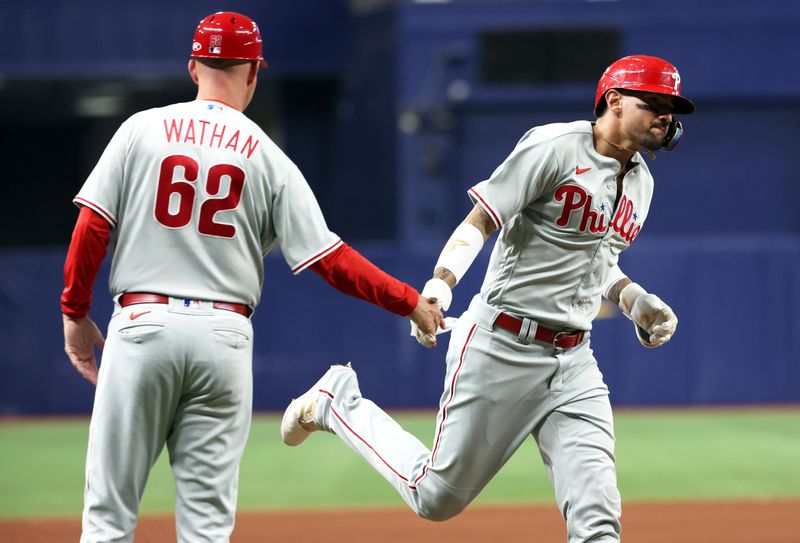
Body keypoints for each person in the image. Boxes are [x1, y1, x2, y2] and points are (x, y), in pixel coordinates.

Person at [61, 11, 443, 543]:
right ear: (254, 73)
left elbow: (92, 226)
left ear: (194, 67)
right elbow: (331, 260)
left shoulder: (140, 130)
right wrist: (409, 301)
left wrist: (75, 313)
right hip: (223, 337)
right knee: (207, 529)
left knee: (107, 520)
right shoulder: (269, 156)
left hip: (141, 326)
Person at [280, 55, 692, 542]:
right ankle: (337, 403)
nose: (667, 114)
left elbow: (595, 261)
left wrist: (632, 300)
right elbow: (482, 219)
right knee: (434, 497)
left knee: (598, 519)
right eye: (657, 102)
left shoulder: (642, 182)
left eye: (673, 107)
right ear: (615, 100)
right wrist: (441, 283)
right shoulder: (555, 147)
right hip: (502, 346)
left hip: (574, 362)